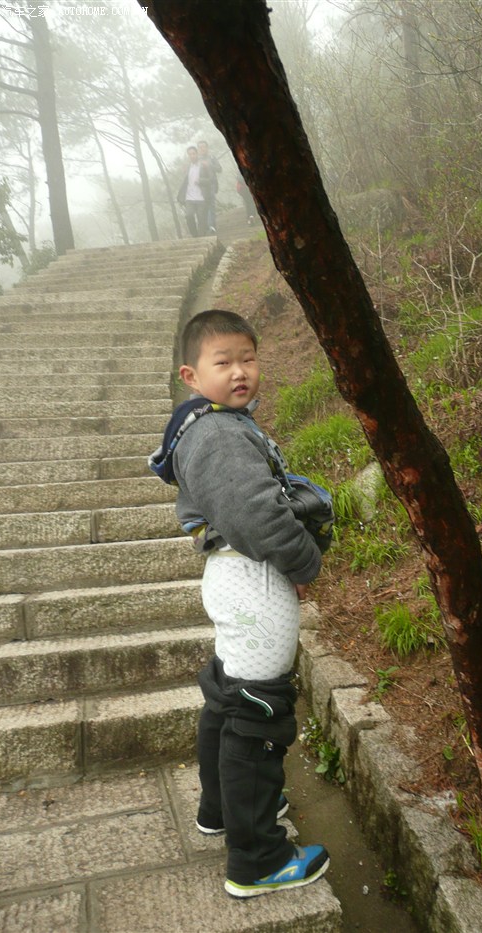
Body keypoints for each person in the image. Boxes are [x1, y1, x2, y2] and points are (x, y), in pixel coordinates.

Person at [149, 309, 330, 898]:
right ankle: (257, 859)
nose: (240, 372)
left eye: (248, 358)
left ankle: (222, 809)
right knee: (258, 712)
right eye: (222, 362)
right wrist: (305, 563)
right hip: (252, 581)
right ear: (190, 375)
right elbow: (257, 514)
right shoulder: (222, 432)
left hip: (234, 577)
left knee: (231, 696)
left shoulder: (208, 426)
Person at [177, 146, 214, 237]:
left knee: (202, 221)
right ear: (188, 156)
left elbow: (211, 179)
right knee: (189, 216)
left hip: (201, 198)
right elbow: (184, 183)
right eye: (190, 154)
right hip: (189, 198)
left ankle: (202, 238)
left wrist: (200, 180)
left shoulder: (204, 165)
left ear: (197, 154)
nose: (192, 156)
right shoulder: (187, 167)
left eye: (193, 153)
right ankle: (195, 235)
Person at [198, 140, 222, 234]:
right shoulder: (196, 160)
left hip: (211, 185)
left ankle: (211, 226)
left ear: (207, 148)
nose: (202, 149)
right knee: (203, 207)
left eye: (203, 147)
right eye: (200, 147)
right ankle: (207, 227)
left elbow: (219, 169)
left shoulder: (212, 158)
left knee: (211, 206)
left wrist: (210, 165)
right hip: (201, 188)